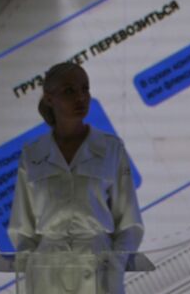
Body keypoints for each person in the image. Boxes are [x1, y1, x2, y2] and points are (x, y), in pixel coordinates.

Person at [8, 62, 144, 294]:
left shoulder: (110, 148)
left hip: (98, 268)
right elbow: (23, 228)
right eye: (69, 91)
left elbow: (129, 223)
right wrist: (30, 267)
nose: (80, 97)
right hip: (47, 274)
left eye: (85, 89)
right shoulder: (32, 154)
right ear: (50, 98)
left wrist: (115, 264)